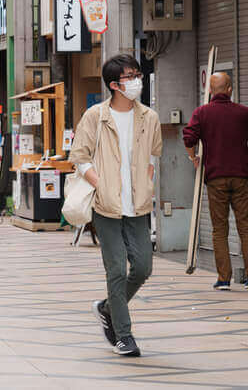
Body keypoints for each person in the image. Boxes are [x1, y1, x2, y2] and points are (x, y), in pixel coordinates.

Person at [69, 54, 162, 358]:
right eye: (130, 76)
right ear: (114, 84)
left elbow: (153, 155)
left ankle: (108, 308)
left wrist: (147, 181)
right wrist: (101, 185)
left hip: (138, 204)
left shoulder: (149, 117)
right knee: (117, 271)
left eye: (137, 74)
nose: (137, 80)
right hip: (106, 205)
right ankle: (123, 335)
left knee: (144, 267)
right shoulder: (96, 116)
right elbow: (79, 156)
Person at [182, 72, 248, 291]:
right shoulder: (242, 112)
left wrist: (193, 157)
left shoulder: (202, 113)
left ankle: (224, 279)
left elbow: (188, 137)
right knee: (246, 228)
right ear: (230, 89)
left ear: (211, 91)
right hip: (241, 177)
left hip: (216, 178)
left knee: (219, 229)